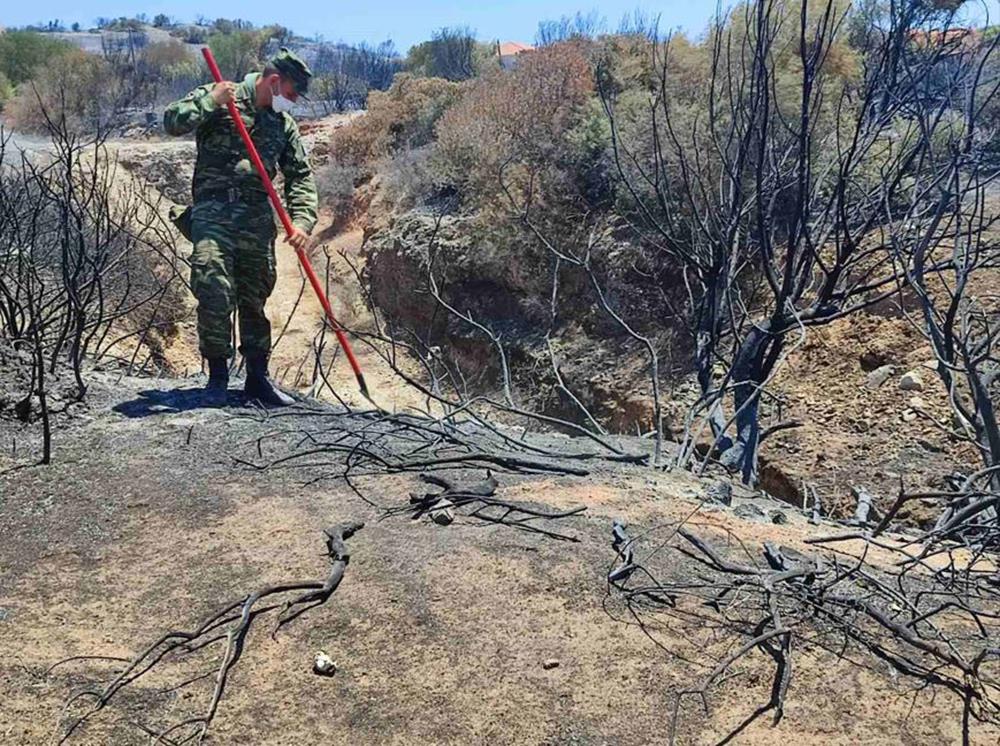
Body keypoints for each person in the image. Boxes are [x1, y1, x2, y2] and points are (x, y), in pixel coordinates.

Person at [164, 48, 318, 407]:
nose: (293, 102)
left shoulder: (282, 125)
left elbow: (300, 177)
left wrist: (302, 221)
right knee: (213, 286)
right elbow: (172, 122)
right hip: (214, 211)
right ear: (275, 81)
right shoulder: (219, 96)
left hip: (255, 219)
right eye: (293, 93)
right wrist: (209, 101)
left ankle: (257, 378)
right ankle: (217, 376)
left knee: (254, 296)